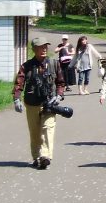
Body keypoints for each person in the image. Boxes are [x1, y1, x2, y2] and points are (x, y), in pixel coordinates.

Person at [12, 37, 66, 170]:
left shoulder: (54, 63)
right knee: (35, 132)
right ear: (34, 49)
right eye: (41, 47)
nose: (44, 49)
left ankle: (45, 156)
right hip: (31, 104)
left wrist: (59, 95)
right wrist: (16, 99)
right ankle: (36, 157)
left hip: (49, 103)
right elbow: (19, 83)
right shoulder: (26, 66)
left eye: (45, 47)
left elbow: (60, 82)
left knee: (48, 128)